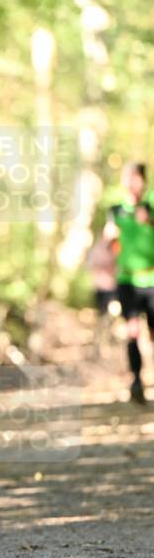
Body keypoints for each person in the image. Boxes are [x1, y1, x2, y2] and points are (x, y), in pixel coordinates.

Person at [103, 162, 154, 404]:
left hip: (152, 278)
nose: (133, 184)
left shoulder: (152, 204)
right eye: (129, 179)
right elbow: (110, 244)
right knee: (132, 330)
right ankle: (136, 380)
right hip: (127, 280)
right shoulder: (116, 210)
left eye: (137, 179)